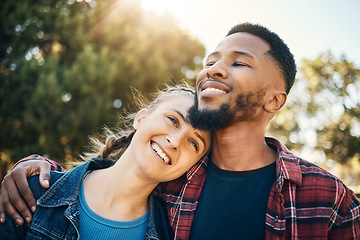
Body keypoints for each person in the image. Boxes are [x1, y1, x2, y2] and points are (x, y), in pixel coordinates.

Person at [1, 22, 360, 239]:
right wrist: (32, 167)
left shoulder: (329, 200)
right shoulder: (176, 177)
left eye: (238, 62)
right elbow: (103, 179)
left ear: (275, 101)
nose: (215, 69)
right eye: (211, 61)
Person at [0, 86, 211, 239]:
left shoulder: (169, 234)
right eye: (173, 120)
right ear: (141, 119)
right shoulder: (32, 193)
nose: (175, 141)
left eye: (193, 143)